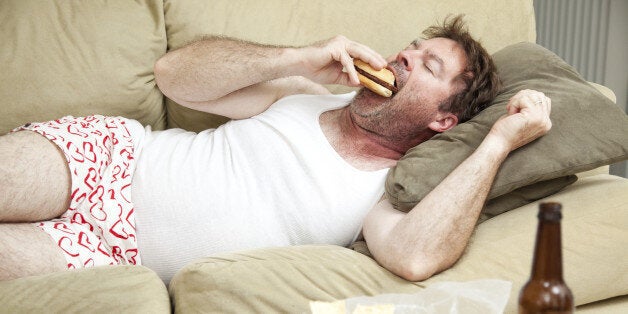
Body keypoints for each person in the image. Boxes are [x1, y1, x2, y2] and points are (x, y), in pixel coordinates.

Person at [0, 16, 551, 284]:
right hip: (108, 160)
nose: (405, 57)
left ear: (443, 121)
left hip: (108, 257)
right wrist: (295, 58)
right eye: (412, 47)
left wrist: (498, 142)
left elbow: (416, 257)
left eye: (429, 66)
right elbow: (174, 77)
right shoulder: (304, 96)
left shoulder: (385, 195)